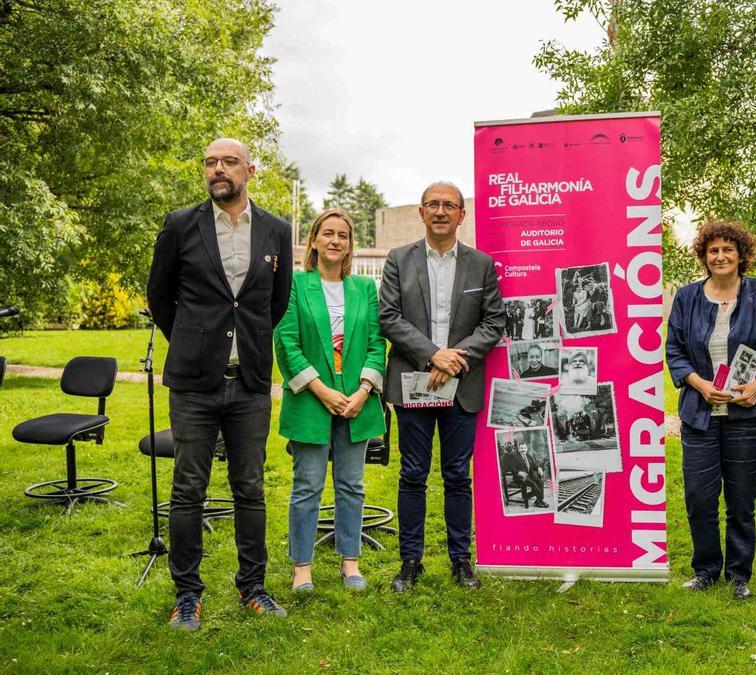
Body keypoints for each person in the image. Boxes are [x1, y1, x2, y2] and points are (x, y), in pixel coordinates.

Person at [146, 138, 293, 630]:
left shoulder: (276, 230)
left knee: (250, 487)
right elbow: (160, 296)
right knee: (188, 488)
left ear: (249, 169)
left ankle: (253, 586)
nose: (218, 170)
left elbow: (275, 302)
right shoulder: (180, 225)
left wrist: (245, 344)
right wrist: (192, 341)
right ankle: (188, 593)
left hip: (249, 382)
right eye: (210, 162)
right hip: (193, 383)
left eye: (229, 162)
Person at [378, 181, 505, 592]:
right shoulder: (399, 259)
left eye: (449, 205)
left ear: (461, 215)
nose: (440, 211)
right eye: (432, 204)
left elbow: (493, 322)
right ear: (421, 212)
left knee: (457, 475)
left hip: (461, 383)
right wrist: (434, 355)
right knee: (412, 473)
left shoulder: (481, 264)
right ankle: (410, 563)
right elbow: (389, 317)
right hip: (414, 380)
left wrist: (456, 360)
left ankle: (460, 560)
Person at [666, 221, 756, 599]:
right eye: (713, 250)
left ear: (741, 255)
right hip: (699, 414)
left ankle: (739, 575)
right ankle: (705, 570)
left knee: (740, 498)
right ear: (704, 256)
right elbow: (675, 351)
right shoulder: (686, 298)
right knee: (700, 498)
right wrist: (700, 385)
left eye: (727, 250)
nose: (720, 256)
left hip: (747, 414)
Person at [274, 208, 388, 593]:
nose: (336, 240)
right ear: (314, 240)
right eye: (328, 233)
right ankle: (302, 566)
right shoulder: (295, 285)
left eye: (343, 235)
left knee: (351, 484)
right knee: (307, 484)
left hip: (356, 401)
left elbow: (376, 344)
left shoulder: (364, 289)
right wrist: (320, 389)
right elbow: (286, 342)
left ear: (350, 244)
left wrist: (363, 391)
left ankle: (349, 561)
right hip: (311, 398)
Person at [502, 442, 548, 508]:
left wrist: (538, 468)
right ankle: (539, 500)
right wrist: (518, 472)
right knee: (533, 484)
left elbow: (533, 465)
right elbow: (511, 467)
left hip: (529, 476)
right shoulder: (514, 456)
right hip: (519, 477)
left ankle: (537, 500)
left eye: (524, 448)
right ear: (518, 449)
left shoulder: (528, 456)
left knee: (540, 482)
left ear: (527, 448)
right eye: (521, 448)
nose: (523, 449)